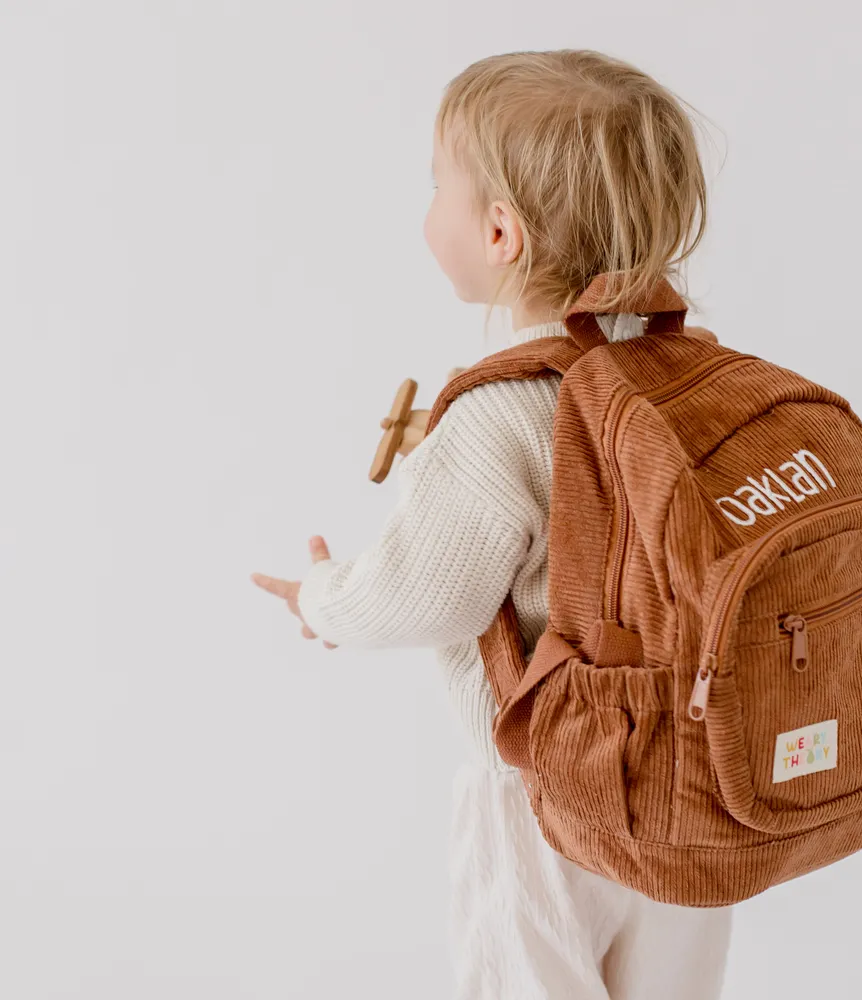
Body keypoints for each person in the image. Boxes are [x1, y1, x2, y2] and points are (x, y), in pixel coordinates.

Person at [254, 48, 734, 1000]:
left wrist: (323, 598)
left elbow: (423, 593)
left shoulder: (503, 411)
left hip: (547, 793)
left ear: (503, 233)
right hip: (697, 780)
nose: (428, 208)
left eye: (439, 185)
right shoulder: (698, 378)